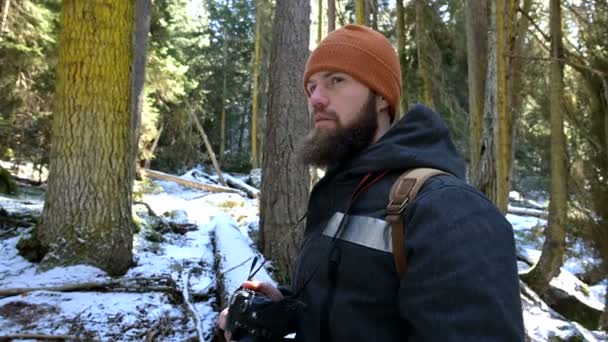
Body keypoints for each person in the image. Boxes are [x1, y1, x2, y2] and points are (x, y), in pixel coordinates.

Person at [218, 24, 525, 341]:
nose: (316, 99)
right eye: (311, 87)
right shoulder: (341, 192)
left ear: (381, 96)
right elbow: (361, 308)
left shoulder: (449, 209)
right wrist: (286, 310)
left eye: (336, 81)